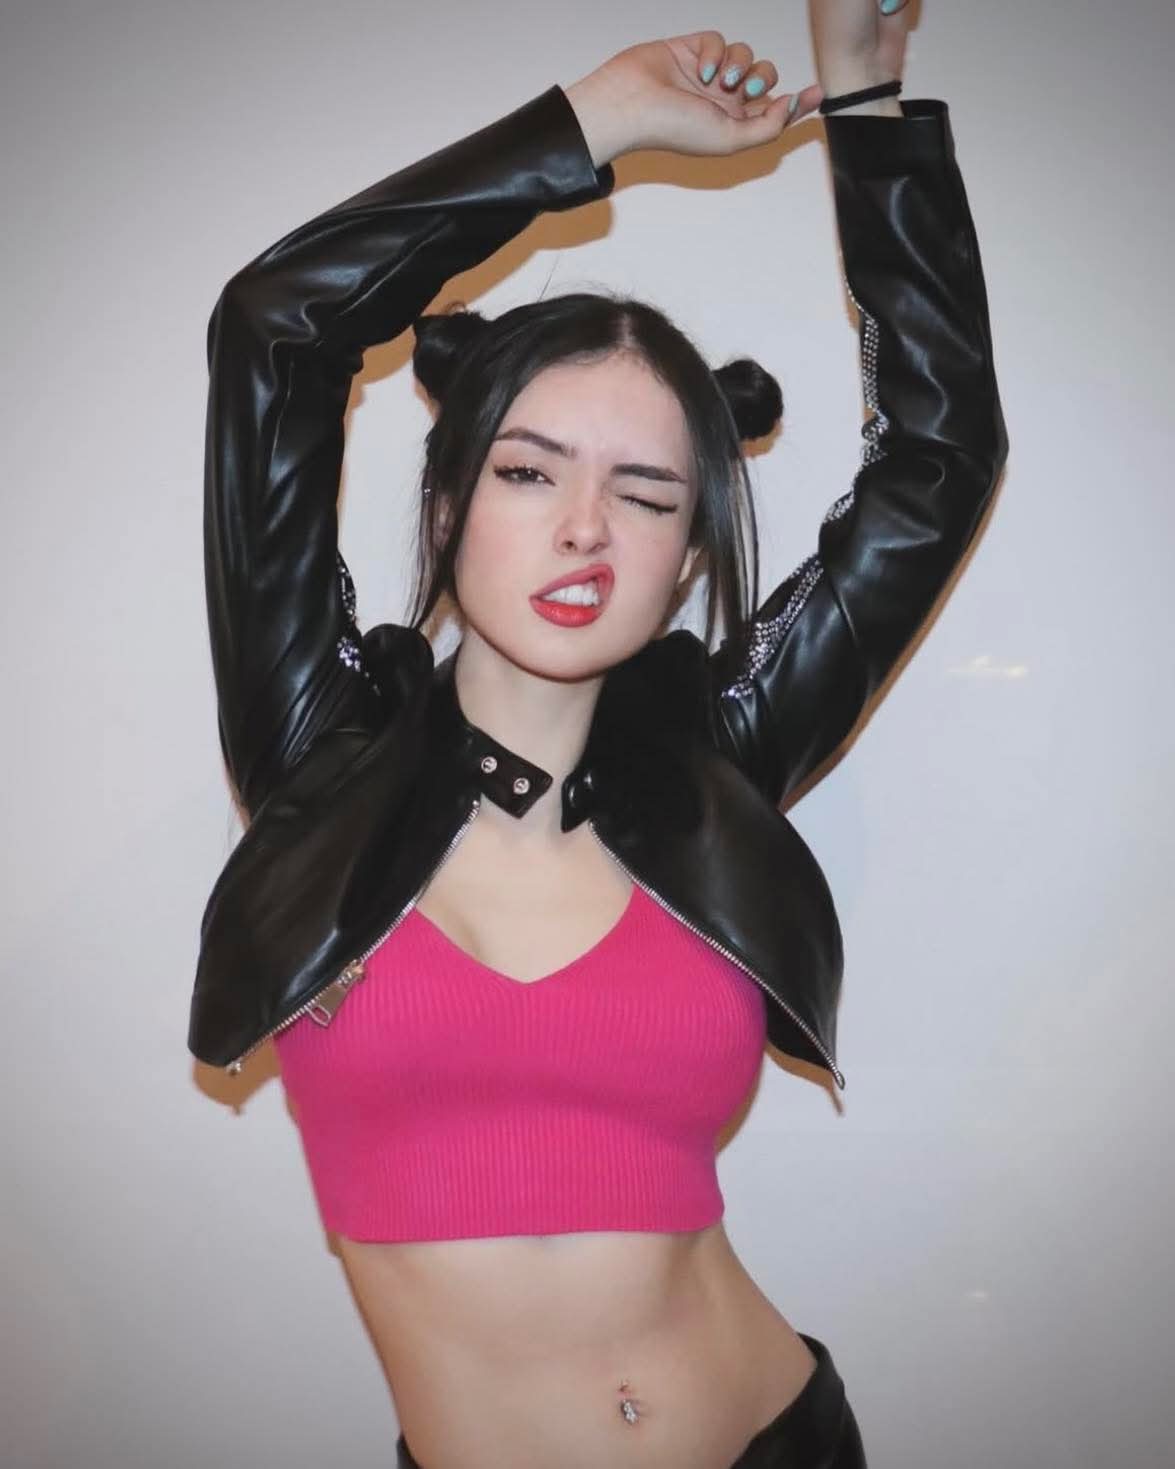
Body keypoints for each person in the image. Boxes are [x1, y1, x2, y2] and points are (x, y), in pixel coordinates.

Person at [188, 2, 1007, 1465]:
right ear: (450, 503)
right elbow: (276, 328)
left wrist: (869, 111)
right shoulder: (321, 753)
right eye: (529, 471)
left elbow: (939, 461)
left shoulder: (718, 759)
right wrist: (596, 122)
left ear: (686, 557)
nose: (585, 528)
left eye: (645, 493)